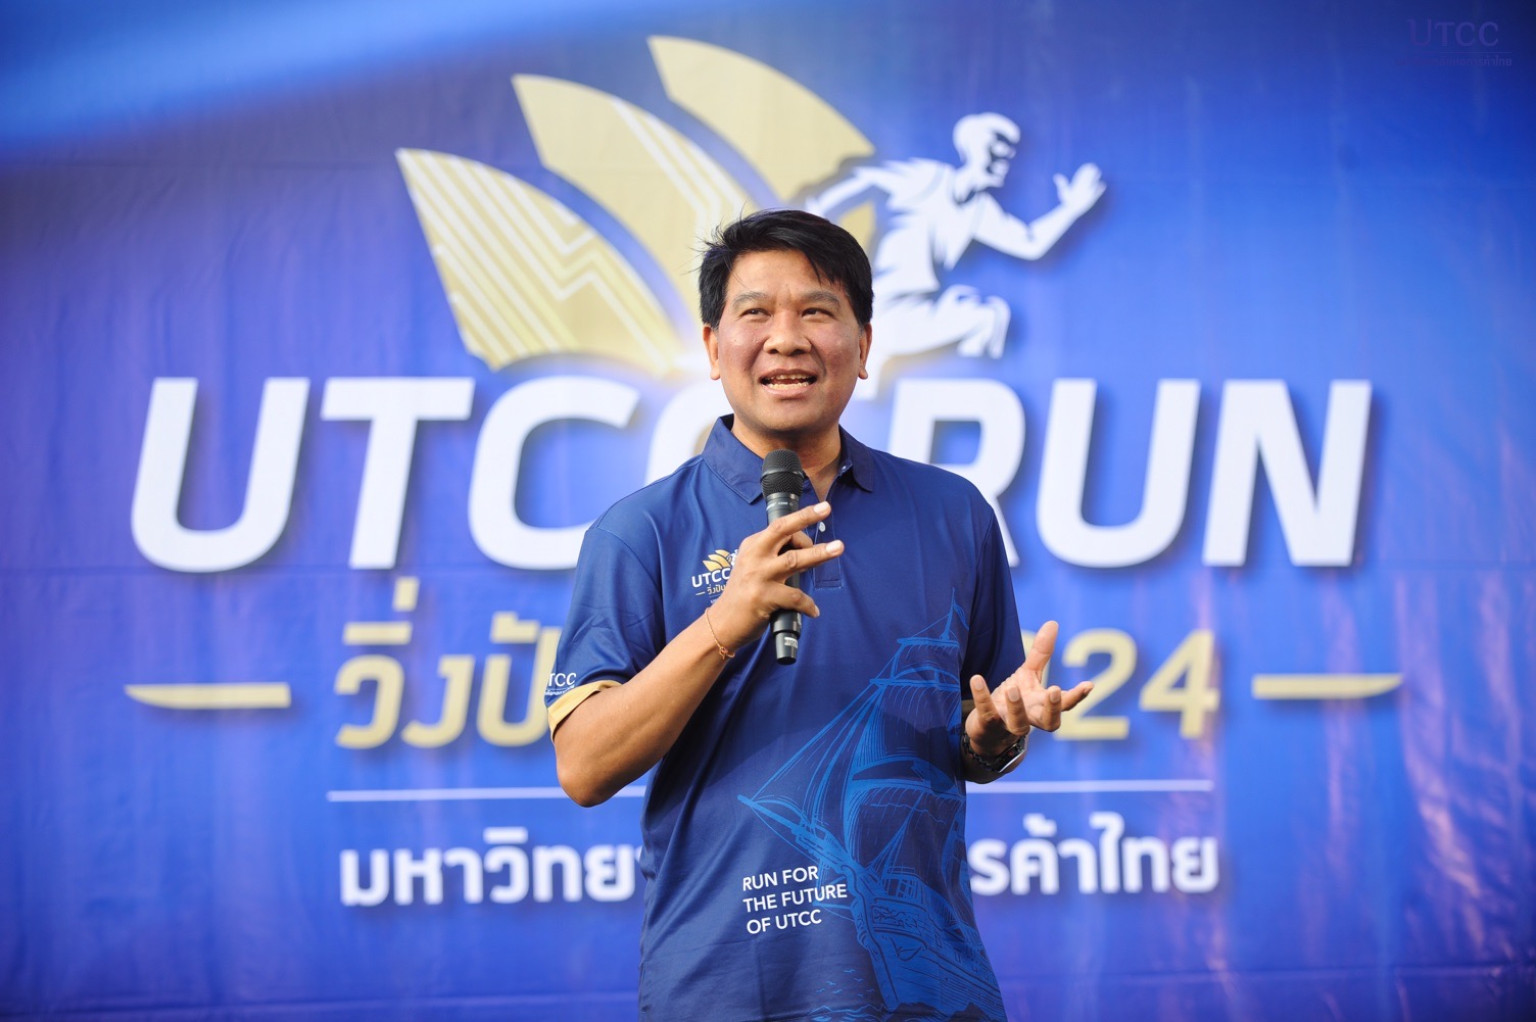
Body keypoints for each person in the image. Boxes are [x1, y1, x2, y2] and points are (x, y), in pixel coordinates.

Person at [546, 209, 1092, 1021]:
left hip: (926, 988)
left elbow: (979, 741)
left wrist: (992, 738)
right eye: (756, 313)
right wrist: (725, 621)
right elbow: (584, 767)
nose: (787, 339)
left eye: (816, 311)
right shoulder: (640, 532)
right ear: (713, 348)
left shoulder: (952, 514)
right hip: (726, 989)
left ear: (863, 347)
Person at [805, 113, 1105, 392]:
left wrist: (1072, 209)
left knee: (988, 317)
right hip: (881, 306)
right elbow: (865, 179)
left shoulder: (978, 210)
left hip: (917, 307)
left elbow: (1030, 243)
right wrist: (816, 229)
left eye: (1008, 154)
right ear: (973, 149)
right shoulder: (927, 179)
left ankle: (970, 392)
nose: (1003, 160)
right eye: (995, 150)